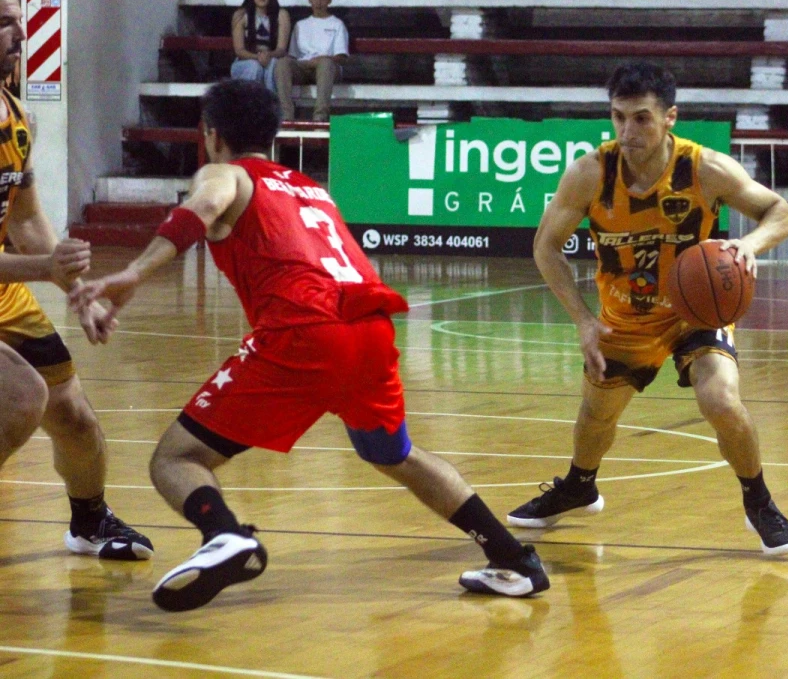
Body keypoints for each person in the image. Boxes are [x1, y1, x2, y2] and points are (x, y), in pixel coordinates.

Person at [70, 79, 548, 612]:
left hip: (305, 331)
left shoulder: (225, 172)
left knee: (175, 459)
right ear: (273, 135)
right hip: (369, 326)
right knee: (394, 455)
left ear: (210, 135)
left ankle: (223, 535)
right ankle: (513, 559)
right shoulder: (308, 186)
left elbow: (202, 207)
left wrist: (135, 272)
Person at [507, 62, 788, 555]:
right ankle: (580, 485)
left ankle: (760, 502)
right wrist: (583, 320)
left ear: (669, 117)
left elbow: (780, 212)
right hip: (625, 316)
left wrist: (748, 244)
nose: (628, 130)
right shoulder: (590, 174)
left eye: (641, 118)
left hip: (696, 310)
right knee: (595, 416)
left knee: (722, 401)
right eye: (619, 117)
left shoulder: (703, 168)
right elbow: (545, 246)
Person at [0, 0, 153, 561]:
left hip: (6, 295)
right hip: (11, 281)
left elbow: (28, 216)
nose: (21, 34)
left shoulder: (15, 115)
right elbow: (38, 252)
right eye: (7, 24)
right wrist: (45, 266)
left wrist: (79, 289)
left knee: (76, 419)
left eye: (21, 21)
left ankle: (89, 523)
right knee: (20, 397)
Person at [274, 0, 348, 122]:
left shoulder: (337, 24)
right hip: (304, 66)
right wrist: (309, 63)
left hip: (327, 67)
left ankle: (320, 116)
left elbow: (342, 57)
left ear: (329, 0)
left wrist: (321, 60)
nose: (318, 2)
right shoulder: (300, 25)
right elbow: (293, 56)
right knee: (282, 63)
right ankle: (286, 115)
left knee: (325, 64)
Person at [230, 0, 291, 93]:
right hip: (245, 63)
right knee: (255, 67)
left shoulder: (281, 15)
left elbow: (281, 49)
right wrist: (257, 57)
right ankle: (251, 107)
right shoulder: (241, 15)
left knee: (273, 64)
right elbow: (239, 51)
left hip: (270, 59)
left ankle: (270, 105)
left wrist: (268, 55)